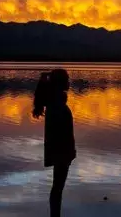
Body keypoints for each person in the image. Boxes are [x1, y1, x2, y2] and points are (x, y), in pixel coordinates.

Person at [32, 69, 76, 217]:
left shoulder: (55, 101)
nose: (69, 82)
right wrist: (68, 152)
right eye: (67, 79)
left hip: (61, 151)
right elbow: (60, 132)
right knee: (58, 187)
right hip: (61, 152)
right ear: (60, 82)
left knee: (57, 187)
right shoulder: (56, 104)